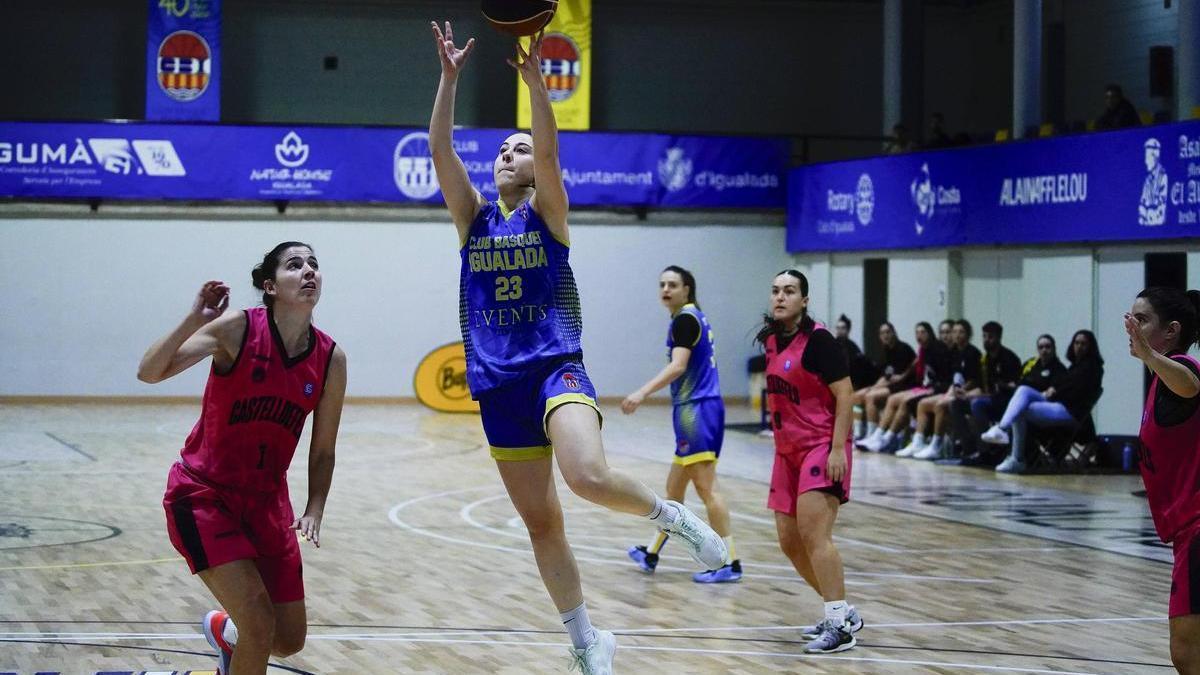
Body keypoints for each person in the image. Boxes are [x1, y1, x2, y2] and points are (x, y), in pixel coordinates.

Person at [428, 23, 726, 673]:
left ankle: (670, 516)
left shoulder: (550, 215)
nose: (507, 154)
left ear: (537, 167)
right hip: (496, 384)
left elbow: (552, 155)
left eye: (519, 148)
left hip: (554, 366)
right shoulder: (472, 219)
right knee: (543, 523)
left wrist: (537, 90)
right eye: (501, 150)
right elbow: (440, 151)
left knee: (586, 474)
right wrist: (450, 78)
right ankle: (588, 639)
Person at [138, 242, 347, 675]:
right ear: (269, 286)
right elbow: (149, 371)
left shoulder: (330, 359)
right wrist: (195, 319)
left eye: (314, 264)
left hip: (268, 506)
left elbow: (323, 449)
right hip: (204, 496)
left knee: (288, 639)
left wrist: (315, 507)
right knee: (259, 622)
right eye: (295, 265)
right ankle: (239, 638)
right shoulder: (237, 329)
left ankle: (223, 632)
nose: (308, 271)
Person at [761, 270, 863, 653]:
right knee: (789, 541)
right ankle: (842, 611)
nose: (780, 297)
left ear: (804, 299)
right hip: (786, 451)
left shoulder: (820, 341)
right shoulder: (770, 341)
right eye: (775, 291)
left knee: (815, 535)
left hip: (821, 446)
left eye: (789, 291)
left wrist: (838, 449)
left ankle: (839, 627)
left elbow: (846, 395)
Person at [622, 266, 740, 583]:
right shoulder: (692, 317)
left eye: (673, 284)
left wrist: (641, 392)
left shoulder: (685, 320)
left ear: (687, 289)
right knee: (674, 492)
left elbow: (678, 366)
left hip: (696, 411)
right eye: (662, 284)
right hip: (698, 410)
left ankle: (730, 562)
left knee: (707, 488)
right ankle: (652, 552)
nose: (666, 289)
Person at [1125, 287, 1200, 673]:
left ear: (1170, 330)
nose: (1131, 326)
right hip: (1186, 532)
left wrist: (1151, 356)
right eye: (1131, 317)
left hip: (1198, 528)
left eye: (1142, 320)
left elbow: (1191, 384)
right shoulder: (1160, 381)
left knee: (1187, 651)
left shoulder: (1180, 368)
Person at [982, 330, 1105, 473]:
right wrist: (1052, 390)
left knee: (1021, 408)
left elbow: (1075, 391)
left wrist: (1054, 391)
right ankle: (1004, 433)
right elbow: (1065, 386)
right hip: (1059, 404)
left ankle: (1015, 455)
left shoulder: (1093, 368)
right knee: (1023, 390)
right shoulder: (1074, 366)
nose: (1079, 347)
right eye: (1076, 343)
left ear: (1091, 346)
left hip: (1071, 411)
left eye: (1083, 344)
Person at [960, 333, 1062, 465]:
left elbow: (1053, 392)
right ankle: (985, 451)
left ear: (1054, 348)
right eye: (1041, 347)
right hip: (1013, 399)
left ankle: (1007, 441)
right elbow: (1018, 381)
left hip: (1041, 405)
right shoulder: (1031, 364)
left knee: (1022, 399)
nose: (1044, 350)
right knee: (977, 404)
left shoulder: (1059, 369)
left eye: (1048, 347)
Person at [904, 319, 983, 460]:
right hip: (954, 390)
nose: (957, 335)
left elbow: (974, 380)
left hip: (971, 392)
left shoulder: (973, 353)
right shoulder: (955, 353)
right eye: (955, 332)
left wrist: (960, 390)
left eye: (961, 332)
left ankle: (936, 445)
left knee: (940, 405)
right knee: (922, 404)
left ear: (968, 334)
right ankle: (918, 441)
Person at [866, 322, 944, 454]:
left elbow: (902, 378)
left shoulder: (910, 349)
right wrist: (874, 386)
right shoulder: (922, 351)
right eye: (917, 333)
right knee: (891, 399)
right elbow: (890, 375)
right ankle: (878, 436)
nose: (919, 335)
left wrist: (902, 377)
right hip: (921, 387)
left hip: (917, 387)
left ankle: (888, 438)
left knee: (902, 401)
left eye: (923, 332)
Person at [852, 322, 917, 445]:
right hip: (892, 386)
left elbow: (894, 379)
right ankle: (859, 434)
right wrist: (872, 387)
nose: (885, 335)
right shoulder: (886, 350)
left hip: (904, 386)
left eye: (888, 332)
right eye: (882, 333)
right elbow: (885, 376)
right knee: (856, 396)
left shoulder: (902, 349)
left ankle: (873, 435)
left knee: (870, 396)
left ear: (894, 333)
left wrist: (872, 389)